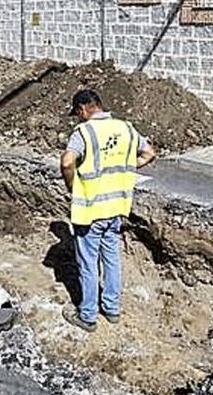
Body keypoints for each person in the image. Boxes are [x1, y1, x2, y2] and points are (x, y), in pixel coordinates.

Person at [59, 89, 157, 332]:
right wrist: (126, 167)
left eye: (77, 114)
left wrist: (72, 183)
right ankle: (112, 309)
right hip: (116, 208)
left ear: (83, 109)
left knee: (88, 263)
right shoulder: (126, 128)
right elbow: (150, 153)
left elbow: (67, 162)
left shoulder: (84, 132)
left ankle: (88, 315)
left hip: (90, 210)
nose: (78, 118)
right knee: (111, 258)